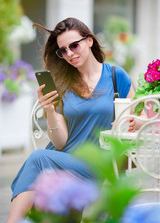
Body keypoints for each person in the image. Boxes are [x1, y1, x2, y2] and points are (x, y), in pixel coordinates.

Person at [7, 17, 137, 223]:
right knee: (41, 160)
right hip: (64, 158)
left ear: (89, 41)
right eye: (63, 50)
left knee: (37, 158)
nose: (69, 54)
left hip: (98, 162)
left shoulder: (115, 75)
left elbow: (135, 117)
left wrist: (129, 123)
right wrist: (49, 110)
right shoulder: (62, 83)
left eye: (74, 45)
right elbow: (60, 142)